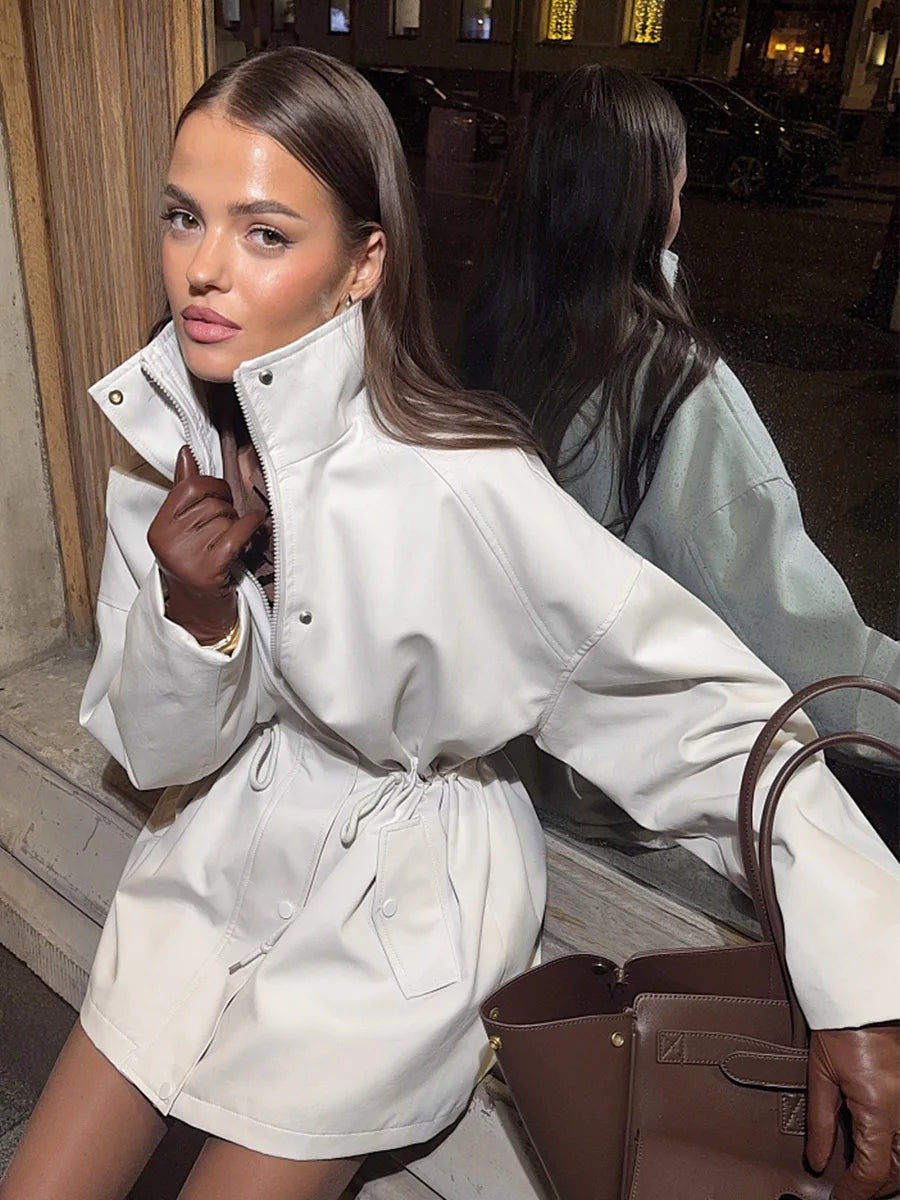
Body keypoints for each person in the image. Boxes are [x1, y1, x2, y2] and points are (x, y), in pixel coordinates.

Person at [2, 49, 897, 1200]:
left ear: (363, 262)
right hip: (211, 854)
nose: (204, 267)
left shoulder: (462, 481)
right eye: (184, 216)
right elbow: (157, 751)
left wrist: (859, 973)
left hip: (396, 905)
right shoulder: (162, 451)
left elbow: (700, 715)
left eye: (266, 232)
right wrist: (193, 613)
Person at [461, 63, 900, 852]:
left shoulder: (493, 339)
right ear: (652, 199)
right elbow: (794, 632)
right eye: (678, 179)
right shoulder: (670, 385)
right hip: (633, 803)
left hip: (512, 768)